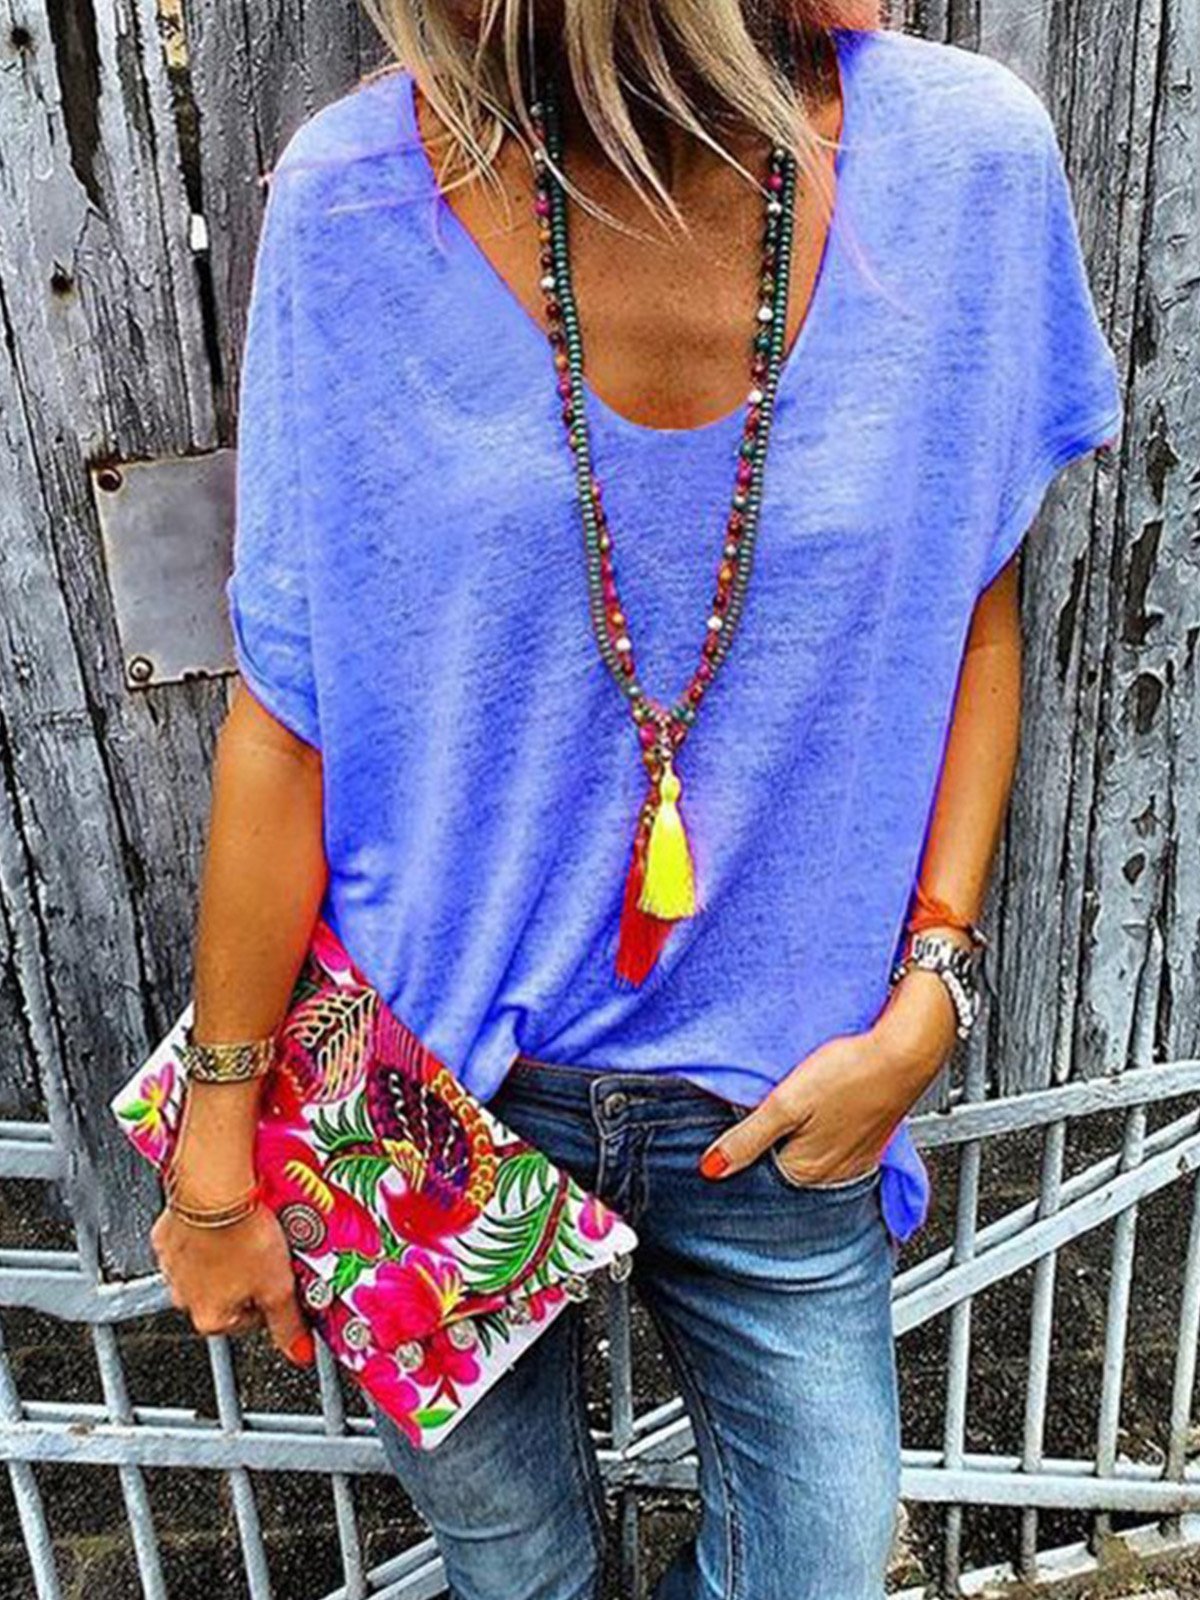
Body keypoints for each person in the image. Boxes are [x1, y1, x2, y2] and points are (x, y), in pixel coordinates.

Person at [150, 2, 1123, 1595]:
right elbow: (287, 716)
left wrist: (933, 991)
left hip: (782, 1095)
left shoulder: (965, 166)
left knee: (814, 1564)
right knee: (516, 1574)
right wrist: (217, 1142)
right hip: (432, 1094)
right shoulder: (352, 202)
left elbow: (979, 615)